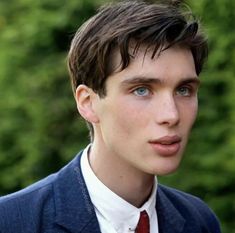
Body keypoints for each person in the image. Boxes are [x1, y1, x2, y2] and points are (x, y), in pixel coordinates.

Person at [0, 0, 221, 232]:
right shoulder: (12, 222)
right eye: (142, 90)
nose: (171, 114)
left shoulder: (199, 221)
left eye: (183, 90)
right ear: (88, 102)